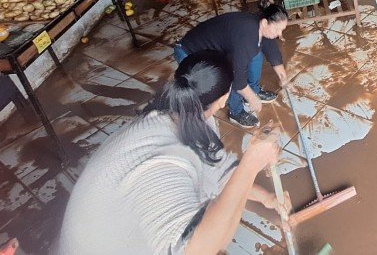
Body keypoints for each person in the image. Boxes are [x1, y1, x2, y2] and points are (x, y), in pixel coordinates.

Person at [58, 51, 288, 254]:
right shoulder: (163, 162)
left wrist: (267, 199)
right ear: (224, 98)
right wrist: (250, 165)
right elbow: (199, 250)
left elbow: (219, 171)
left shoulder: (183, 113)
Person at [174, 1, 289, 128]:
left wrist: (283, 78)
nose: (280, 34)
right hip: (190, 53)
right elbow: (238, 76)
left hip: (217, 49)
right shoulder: (246, 37)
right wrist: (252, 98)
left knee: (256, 55)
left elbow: (272, 52)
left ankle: (254, 90)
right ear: (265, 22)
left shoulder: (260, 26)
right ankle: (236, 112)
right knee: (229, 75)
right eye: (277, 29)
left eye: (282, 30)